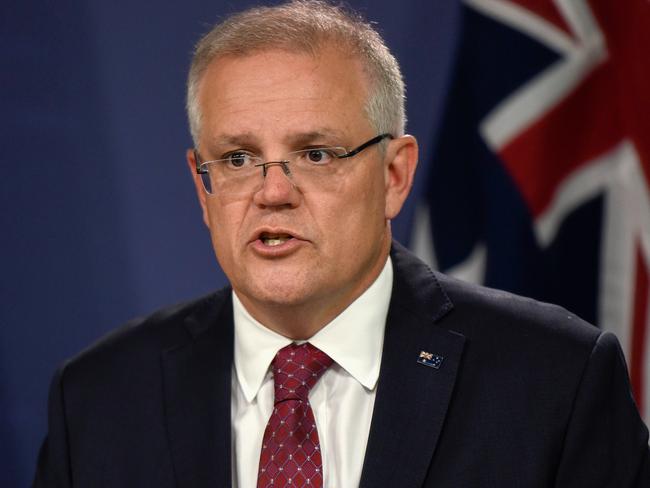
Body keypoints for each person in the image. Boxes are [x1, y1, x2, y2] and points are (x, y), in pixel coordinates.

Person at [33, 1, 649, 486]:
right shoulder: (98, 399)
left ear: (393, 176)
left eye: (316, 153)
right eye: (239, 157)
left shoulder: (554, 381)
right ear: (203, 187)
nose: (272, 192)